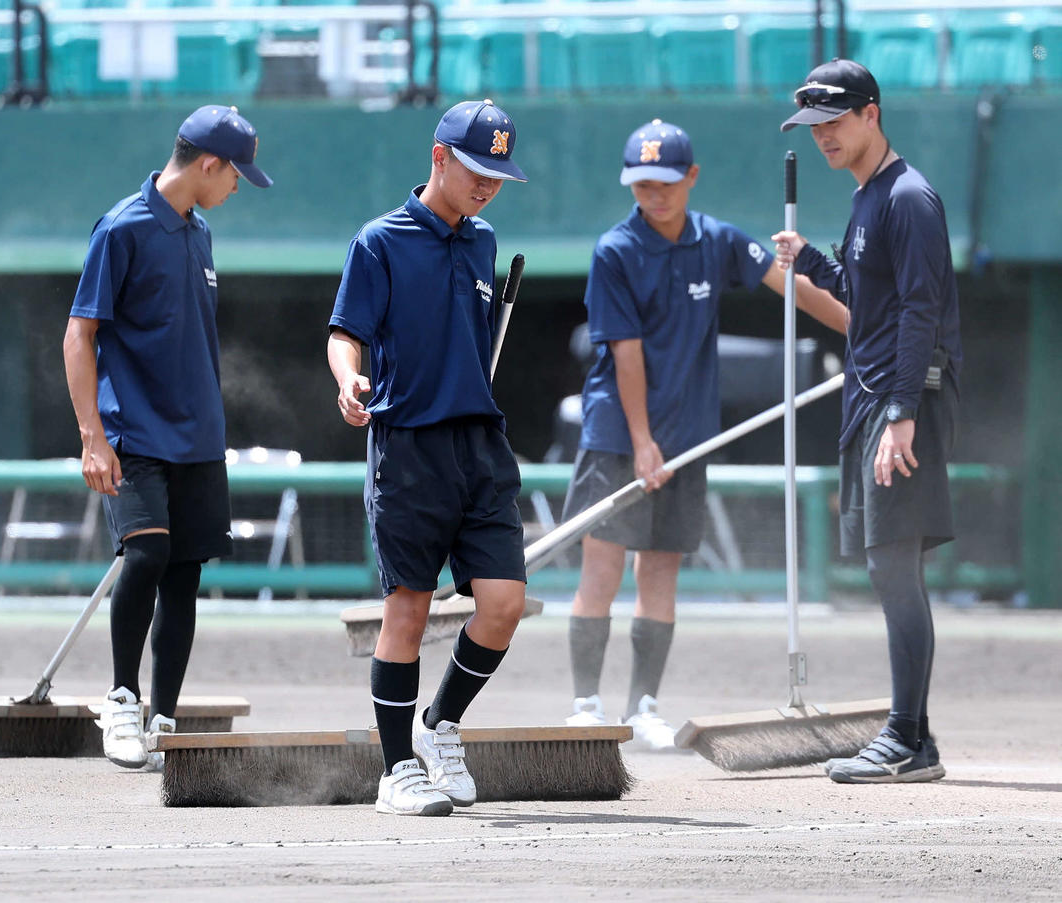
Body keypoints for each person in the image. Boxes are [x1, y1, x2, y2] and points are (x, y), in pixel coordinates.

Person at [561, 119, 848, 750]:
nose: (653, 195)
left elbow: (791, 285)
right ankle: (586, 703)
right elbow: (626, 354)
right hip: (617, 430)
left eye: (664, 183)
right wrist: (640, 441)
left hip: (688, 434)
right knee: (603, 567)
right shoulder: (615, 250)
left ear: (690, 178)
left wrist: (863, 331)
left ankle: (643, 706)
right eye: (640, 183)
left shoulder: (716, 241)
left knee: (660, 569)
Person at [327, 99, 529, 816]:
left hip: (480, 442)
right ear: (439, 157)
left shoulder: (483, 242)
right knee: (407, 610)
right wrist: (348, 378)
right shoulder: (378, 241)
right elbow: (344, 332)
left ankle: (440, 722)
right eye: (477, 170)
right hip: (408, 443)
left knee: (504, 604)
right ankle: (396, 769)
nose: (487, 186)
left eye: (499, 176)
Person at [63, 105, 272, 771]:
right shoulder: (121, 229)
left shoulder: (200, 231)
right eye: (237, 172)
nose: (240, 184)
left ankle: (165, 721)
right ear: (209, 164)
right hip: (134, 433)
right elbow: (79, 334)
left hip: (200, 440)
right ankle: (122, 700)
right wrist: (93, 437)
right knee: (147, 557)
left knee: (184, 577)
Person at [774, 59, 962, 784]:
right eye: (813, 126)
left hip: (899, 403)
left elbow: (921, 309)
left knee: (893, 566)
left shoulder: (909, 198)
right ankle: (915, 736)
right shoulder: (867, 198)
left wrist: (903, 413)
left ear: (870, 114)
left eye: (833, 121)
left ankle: (907, 736)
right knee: (891, 568)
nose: (822, 136)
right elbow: (866, 295)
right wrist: (813, 261)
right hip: (876, 400)